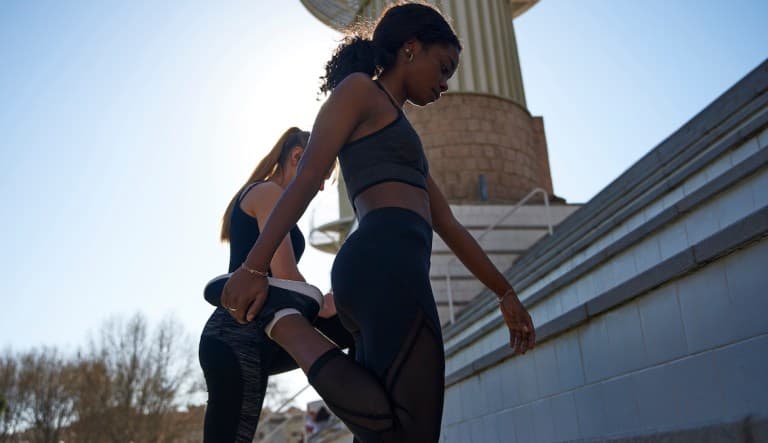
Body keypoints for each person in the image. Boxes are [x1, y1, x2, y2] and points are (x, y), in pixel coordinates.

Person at [221, 3, 536, 442]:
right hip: (382, 264)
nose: (445, 85)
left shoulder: (402, 132)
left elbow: (448, 224)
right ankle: (288, 326)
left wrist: (506, 293)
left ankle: (288, 326)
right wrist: (254, 268)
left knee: (392, 433)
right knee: (414, 433)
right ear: (410, 48)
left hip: (396, 269)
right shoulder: (359, 91)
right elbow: (310, 174)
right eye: (442, 67)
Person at [198, 127, 354, 443]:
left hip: (261, 335)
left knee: (355, 326)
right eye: (322, 175)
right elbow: (284, 274)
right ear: (297, 157)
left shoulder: (274, 201)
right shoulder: (268, 193)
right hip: (236, 334)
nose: (322, 187)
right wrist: (326, 303)